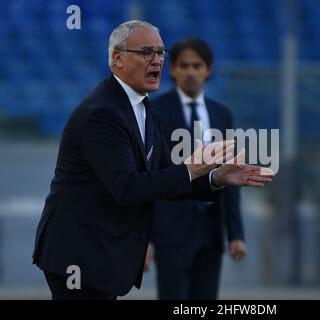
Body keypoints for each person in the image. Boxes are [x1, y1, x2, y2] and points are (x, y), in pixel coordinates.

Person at [32, 20, 273, 300]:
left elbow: (162, 176)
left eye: (161, 53)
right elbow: (128, 188)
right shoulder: (102, 114)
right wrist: (189, 168)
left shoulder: (143, 107)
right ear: (117, 58)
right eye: (146, 52)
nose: (157, 60)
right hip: (80, 254)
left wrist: (214, 178)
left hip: (102, 253)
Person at [143, 38, 246, 300]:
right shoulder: (154, 111)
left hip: (211, 229)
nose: (191, 72)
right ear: (173, 70)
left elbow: (230, 174)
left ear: (208, 70)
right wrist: (145, 237)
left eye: (197, 65)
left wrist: (235, 234)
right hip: (170, 229)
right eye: (184, 65)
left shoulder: (222, 114)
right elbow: (148, 176)